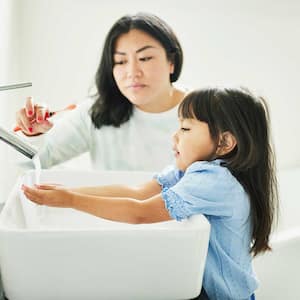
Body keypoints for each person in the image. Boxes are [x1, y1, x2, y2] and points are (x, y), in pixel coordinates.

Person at [22, 87, 279, 300]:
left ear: (224, 143)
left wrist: (71, 201)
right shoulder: (194, 170)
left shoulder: (215, 179)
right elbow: (139, 193)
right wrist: (71, 192)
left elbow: (140, 213)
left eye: (186, 129)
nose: (175, 136)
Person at [15, 12, 186, 171]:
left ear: (171, 61)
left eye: (145, 58)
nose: (133, 72)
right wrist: (35, 134)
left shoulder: (206, 113)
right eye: (120, 61)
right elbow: (32, 162)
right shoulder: (98, 112)